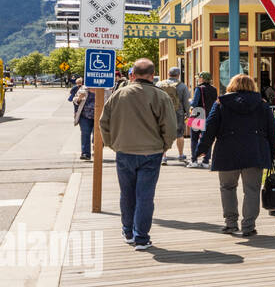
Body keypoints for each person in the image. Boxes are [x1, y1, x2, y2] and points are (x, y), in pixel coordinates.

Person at [99, 59, 175, 250]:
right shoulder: (160, 96)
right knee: (145, 196)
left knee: (127, 193)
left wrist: (111, 143)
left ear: (133, 74)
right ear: (152, 74)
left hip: (124, 150)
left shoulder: (119, 95)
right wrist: (165, 145)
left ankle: (127, 231)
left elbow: (103, 122)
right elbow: (170, 127)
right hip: (152, 152)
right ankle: (141, 237)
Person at [192, 73, 275, 238]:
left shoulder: (221, 103)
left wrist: (201, 149)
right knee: (252, 190)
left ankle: (230, 224)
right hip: (255, 152)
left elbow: (210, 128)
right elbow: (272, 131)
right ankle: (248, 226)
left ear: (231, 85)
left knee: (227, 188)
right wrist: (273, 153)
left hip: (227, 152)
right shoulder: (262, 105)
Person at [157, 67, 189, 165]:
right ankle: (180, 155)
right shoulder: (182, 86)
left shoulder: (159, 84)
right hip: (177, 112)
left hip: (162, 112)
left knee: (162, 133)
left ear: (168, 74)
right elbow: (186, 101)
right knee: (179, 134)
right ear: (179, 75)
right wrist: (187, 112)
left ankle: (163, 157)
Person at [188, 72, 218, 168]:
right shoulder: (214, 89)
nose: (198, 79)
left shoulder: (199, 88)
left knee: (194, 139)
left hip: (198, 114)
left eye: (199, 78)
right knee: (207, 139)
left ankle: (194, 160)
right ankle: (205, 161)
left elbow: (194, 103)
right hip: (209, 116)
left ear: (202, 79)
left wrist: (189, 102)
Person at [70, 79, 93, 161]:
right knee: (85, 134)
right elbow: (75, 100)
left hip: (99, 117)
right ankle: (85, 153)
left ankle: (98, 151)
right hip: (85, 116)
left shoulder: (104, 89)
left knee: (98, 136)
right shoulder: (83, 89)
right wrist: (79, 98)